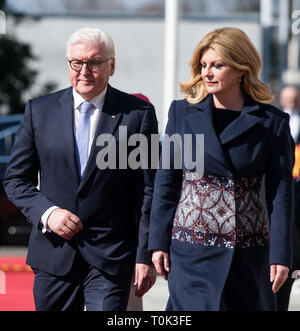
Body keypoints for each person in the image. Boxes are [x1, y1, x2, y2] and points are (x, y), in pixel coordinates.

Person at [3, 27, 157, 311]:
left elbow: (148, 191)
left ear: (112, 65)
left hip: (111, 257)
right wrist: (49, 214)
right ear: (68, 64)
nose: (84, 70)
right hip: (54, 255)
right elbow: (16, 179)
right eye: (77, 62)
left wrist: (144, 255)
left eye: (94, 62)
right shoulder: (39, 111)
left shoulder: (137, 114)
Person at [148, 27, 293, 311]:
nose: (208, 72)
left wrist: (281, 255)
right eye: (204, 65)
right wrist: (157, 242)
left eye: (217, 65)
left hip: (248, 257)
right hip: (190, 254)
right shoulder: (182, 113)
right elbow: (166, 183)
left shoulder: (271, 122)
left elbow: (280, 195)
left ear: (241, 69)